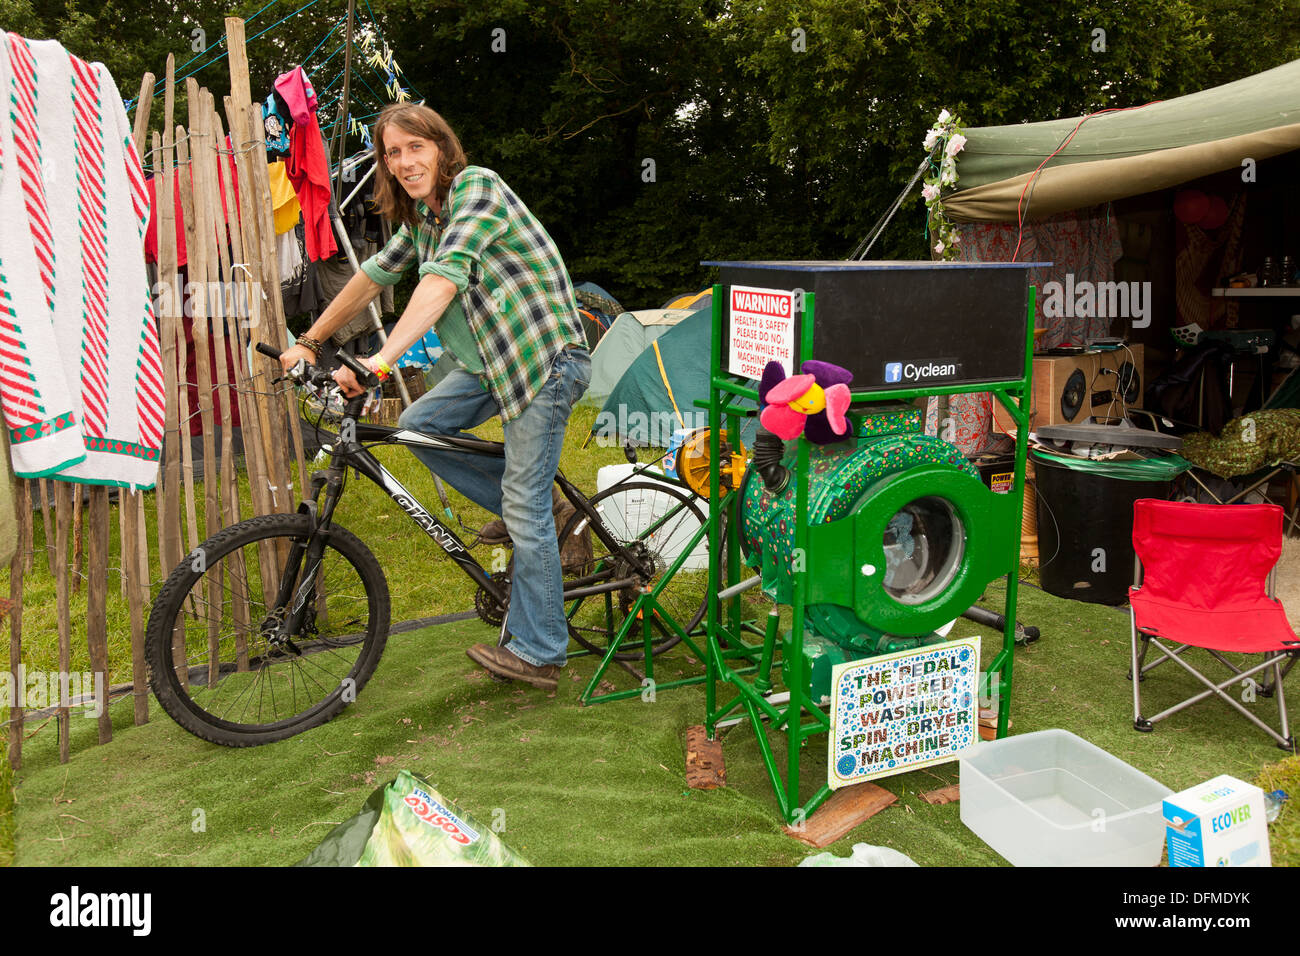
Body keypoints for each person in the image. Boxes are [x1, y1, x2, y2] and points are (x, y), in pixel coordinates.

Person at [280, 103, 590, 691]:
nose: (403, 162)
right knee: (417, 423)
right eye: (392, 153)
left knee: (522, 503)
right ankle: (547, 503)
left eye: (414, 148)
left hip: (544, 361)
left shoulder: (478, 189)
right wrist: (310, 339)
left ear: (442, 149)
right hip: (488, 365)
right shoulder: (424, 220)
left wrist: (380, 360)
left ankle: (542, 650)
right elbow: (373, 275)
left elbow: (443, 280)